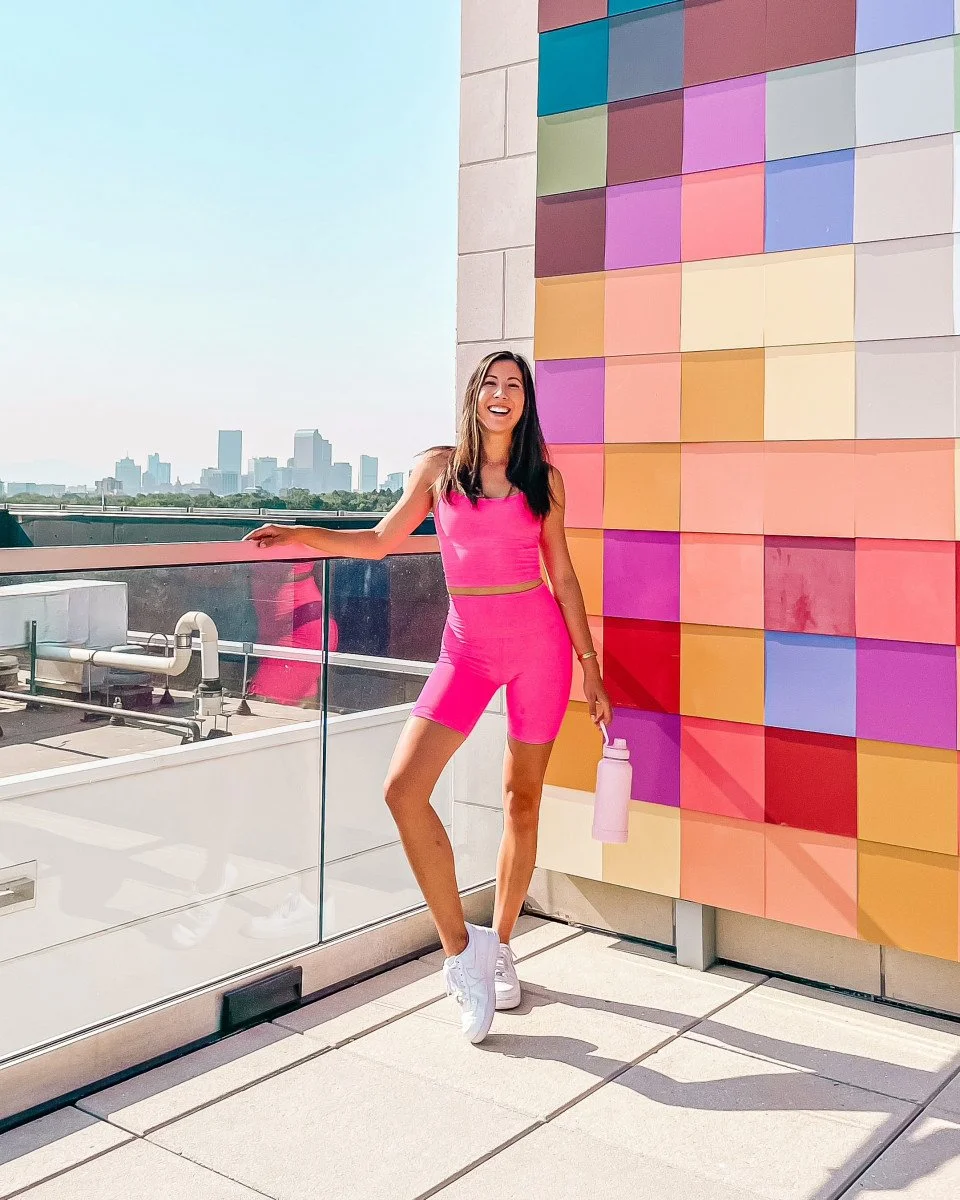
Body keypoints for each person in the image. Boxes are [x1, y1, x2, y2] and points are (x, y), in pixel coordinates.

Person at [244, 351, 612, 1043]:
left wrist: (590, 665)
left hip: (540, 646)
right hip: (467, 645)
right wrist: (298, 533)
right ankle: (461, 951)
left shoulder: (543, 481)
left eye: (514, 387)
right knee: (403, 789)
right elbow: (382, 542)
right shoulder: (439, 471)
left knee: (521, 799)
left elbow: (562, 576)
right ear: (474, 396)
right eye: (491, 384)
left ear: (525, 403)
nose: (502, 395)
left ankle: (500, 943)